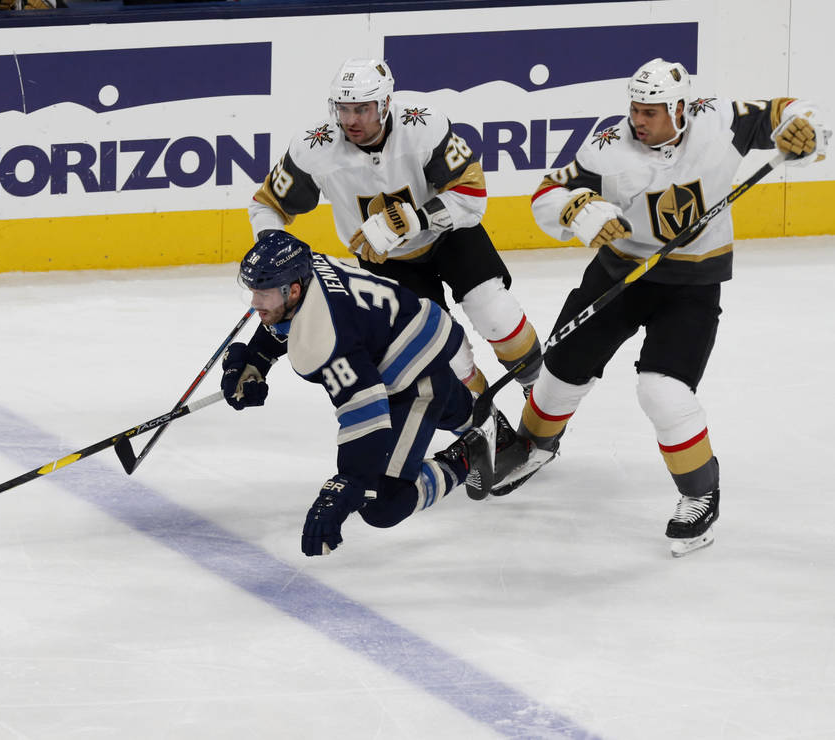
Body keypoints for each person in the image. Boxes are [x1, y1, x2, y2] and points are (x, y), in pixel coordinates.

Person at [483, 57, 829, 556]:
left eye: (650, 111)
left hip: (691, 284)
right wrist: (579, 211)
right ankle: (534, 445)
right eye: (635, 109)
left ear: (680, 108)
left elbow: (786, 112)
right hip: (619, 275)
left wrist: (808, 129)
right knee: (559, 373)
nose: (637, 120)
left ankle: (699, 494)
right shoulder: (607, 147)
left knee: (662, 393)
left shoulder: (719, 122)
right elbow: (548, 191)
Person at [249, 58, 541, 399]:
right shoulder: (314, 147)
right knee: (446, 356)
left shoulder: (423, 124)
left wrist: (414, 219)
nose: (351, 120)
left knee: (495, 312)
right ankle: (486, 422)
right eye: (343, 109)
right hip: (385, 261)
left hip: (448, 236)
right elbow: (266, 204)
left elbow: (471, 194)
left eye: (362, 109)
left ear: (385, 104)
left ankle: (540, 394)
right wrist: (272, 245)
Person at [220, 231, 491, 557]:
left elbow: (367, 418)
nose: (254, 303)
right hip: (417, 329)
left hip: (414, 373)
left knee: (383, 504)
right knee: (458, 412)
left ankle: (470, 454)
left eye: (262, 294)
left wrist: (345, 487)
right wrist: (256, 360)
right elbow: (286, 323)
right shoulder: (307, 270)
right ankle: (486, 425)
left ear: (292, 290)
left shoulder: (323, 340)